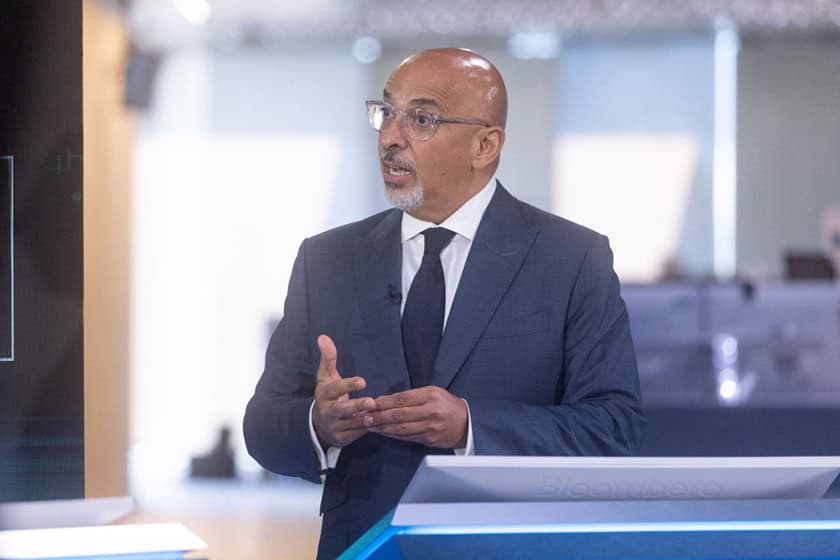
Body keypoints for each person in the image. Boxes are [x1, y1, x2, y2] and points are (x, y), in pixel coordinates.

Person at [244, 48, 645, 559]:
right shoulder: (326, 260)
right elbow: (261, 425)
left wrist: (471, 427)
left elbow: (613, 429)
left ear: (485, 144)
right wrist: (318, 425)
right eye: (386, 112)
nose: (391, 136)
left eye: (422, 118)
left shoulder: (571, 259)